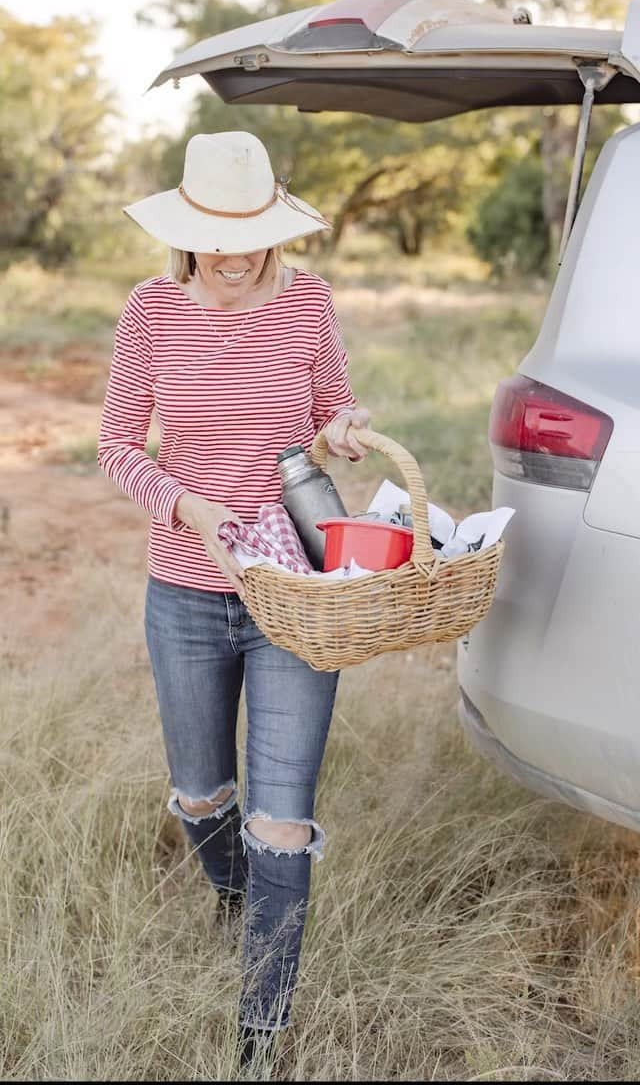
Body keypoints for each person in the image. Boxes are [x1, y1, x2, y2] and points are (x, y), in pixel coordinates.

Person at [98, 130, 371, 1065]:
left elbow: (329, 408)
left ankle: (260, 1035)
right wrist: (185, 504)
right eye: (213, 234)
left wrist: (341, 427)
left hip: (292, 594)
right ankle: (231, 896)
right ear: (185, 229)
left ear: (274, 226)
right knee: (202, 795)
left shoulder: (310, 306)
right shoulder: (150, 312)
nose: (230, 254)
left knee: (280, 818)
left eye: (248, 232)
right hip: (184, 588)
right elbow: (117, 448)